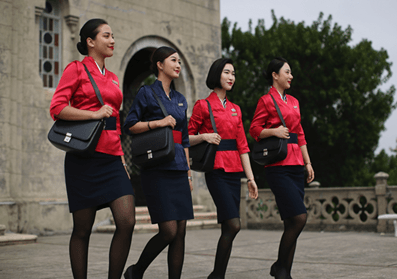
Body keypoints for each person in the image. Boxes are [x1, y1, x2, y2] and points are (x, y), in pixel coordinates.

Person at [49, 19, 135, 279]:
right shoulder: (75, 69)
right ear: (90, 41)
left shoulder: (113, 78)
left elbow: (116, 123)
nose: (112, 40)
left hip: (111, 159)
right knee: (82, 229)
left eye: (113, 36)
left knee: (126, 221)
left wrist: (122, 158)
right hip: (83, 158)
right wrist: (94, 114)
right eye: (107, 35)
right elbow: (57, 108)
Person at [123, 46, 193, 279]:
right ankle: (136, 270)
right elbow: (130, 125)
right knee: (168, 231)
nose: (178, 64)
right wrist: (157, 123)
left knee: (180, 231)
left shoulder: (181, 99)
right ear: (160, 65)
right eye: (173, 60)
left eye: (180, 61)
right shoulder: (146, 93)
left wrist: (189, 173)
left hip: (179, 168)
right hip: (157, 168)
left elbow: (184, 139)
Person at [188, 58, 258, 279]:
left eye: (233, 73)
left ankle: (217, 275)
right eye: (227, 72)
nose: (231, 77)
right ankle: (217, 275)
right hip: (216, 171)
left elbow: (243, 146)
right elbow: (184, 139)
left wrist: (250, 178)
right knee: (234, 224)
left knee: (228, 228)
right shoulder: (202, 105)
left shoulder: (236, 109)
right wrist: (204, 136)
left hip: (234, 171)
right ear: (217, 74)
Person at [249, 57, 315, 279]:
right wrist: (274, 131)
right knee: (299, 218)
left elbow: (301, 134)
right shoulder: (266, 100)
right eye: (287, 72)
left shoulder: (295, 101)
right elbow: (254, 129)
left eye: (291, 72)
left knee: (290, 221)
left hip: (297, 165)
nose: (291, 76)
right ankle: (279, 267)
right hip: (278, 167)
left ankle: (284, 271)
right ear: (275, 75)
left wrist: (308, 162)